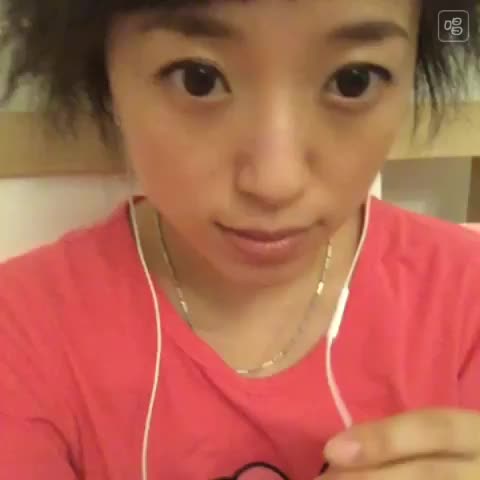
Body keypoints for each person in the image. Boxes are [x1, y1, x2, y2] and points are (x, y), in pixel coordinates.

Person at [1, 0, 480, 479]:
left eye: (353, 80)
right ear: (104, 70)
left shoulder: (467, 304)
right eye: (198, 79)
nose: (275, 182)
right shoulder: (21, 335)